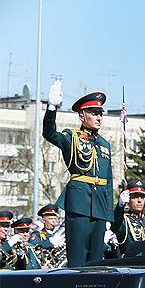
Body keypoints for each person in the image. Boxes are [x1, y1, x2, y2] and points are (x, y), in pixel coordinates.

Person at [42, 81, 114, 266]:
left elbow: (109, 182)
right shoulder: (71, 137)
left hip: (100, 206)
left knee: (96, 260)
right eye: (94, 113)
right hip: (79, 203)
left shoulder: (105, 145)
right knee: (77, 258)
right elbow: (50, 134)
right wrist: (51, 109)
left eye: (100, 113)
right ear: (82, 116)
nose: (99, 117)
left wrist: (109, 216)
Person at [111, 179, 145, 256]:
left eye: (142, 197)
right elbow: (115, 226)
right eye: (135, 197)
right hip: (129, 264)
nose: (139, 200)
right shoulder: (123, 221)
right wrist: (120, 205)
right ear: (128, 199)